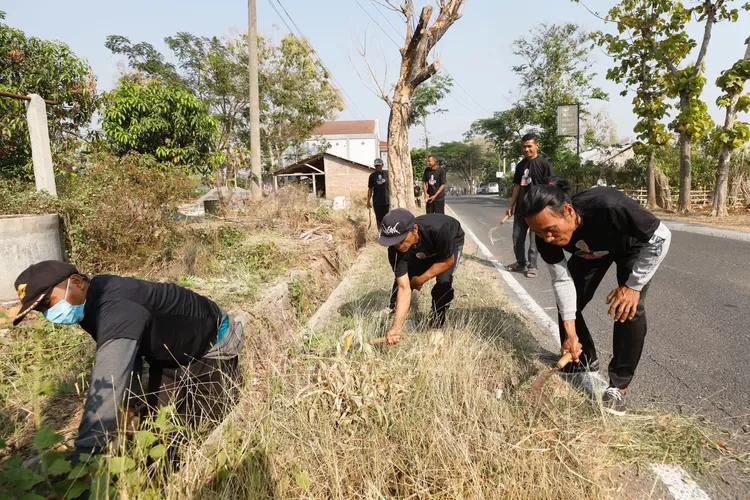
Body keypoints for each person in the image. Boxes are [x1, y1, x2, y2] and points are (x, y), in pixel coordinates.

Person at [12, 260, 244, 457]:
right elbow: (126, 355)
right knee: (157, 428)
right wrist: (129, 405)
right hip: (166, 354)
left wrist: (85, 455)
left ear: (77, 282)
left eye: (48, 303)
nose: (48, 314)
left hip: (210, 343)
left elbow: (108, 382)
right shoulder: (90, 301)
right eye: (40, 310)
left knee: (201, 427)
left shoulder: (118, 307)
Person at [524, 177, 672, 415]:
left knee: (628, 308)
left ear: (568, 211)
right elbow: (562, 281)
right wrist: (570, 333)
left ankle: (618, 387)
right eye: (539, 233)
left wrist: (633, 286)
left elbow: (661, 237)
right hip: (591, 252)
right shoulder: (545, 236)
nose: (547, 239)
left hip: (631, 247)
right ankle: (581, 360)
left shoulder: (609, 206)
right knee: (571, 303)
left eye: (550, 230)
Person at [379, 208, 464, 342]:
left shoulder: (441, 230)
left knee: (444, 281)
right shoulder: (395, 250)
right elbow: (403, 287)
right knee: (405, 278)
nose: (398, 245)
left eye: (401, 239)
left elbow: (447, 261)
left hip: (450, 242)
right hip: (423, 246)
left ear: (415, 229)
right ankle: (394, 311)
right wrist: (396, 327)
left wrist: (421, 279)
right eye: (393, 242)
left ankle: (438, 322)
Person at [505, 133, 553, 279]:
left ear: (537, 145)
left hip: (537, 210)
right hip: (521, 208)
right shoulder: (520, 165)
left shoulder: (545, 165)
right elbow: (517, 187)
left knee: (534, 242)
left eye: (529, 146)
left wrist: (548, 207)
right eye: (524, 147)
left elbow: (550, 188)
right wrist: (511, 205)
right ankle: (520, 262)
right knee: (517, 237)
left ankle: (532, 266)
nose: (526, 149)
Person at [367, 158, 390, 228]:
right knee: (379, 220)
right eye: (376, 166)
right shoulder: (372, 176)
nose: (377, 167)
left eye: (379, 165)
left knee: (388, 219)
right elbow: (370, 189)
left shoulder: (387, 174)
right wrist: (368, 201)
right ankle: (380, 235)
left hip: (387, 201)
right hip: (377, 202)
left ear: (382, 165)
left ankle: (389, 234)